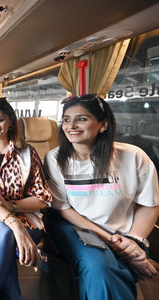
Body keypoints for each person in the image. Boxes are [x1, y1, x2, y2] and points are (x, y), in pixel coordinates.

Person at [44, 94, 158, 300]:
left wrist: (134, 242)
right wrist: (112, 242)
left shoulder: (134, 156)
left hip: (125, 233)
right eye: (67, 119)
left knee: (114, 267)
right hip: (77, 227)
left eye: (82, 119)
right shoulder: (55, 158)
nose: (71, 126)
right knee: (98, 268)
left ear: (103, 125)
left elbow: (149, 205)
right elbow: (63, 208)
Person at [0, 98, 52, 300]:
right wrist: (16, 227)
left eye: (0, 120)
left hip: (27, 217)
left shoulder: (28, 152)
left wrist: (12, 207)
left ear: (11, 121)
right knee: (5, 241)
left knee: (3, 236)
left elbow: (42, 198)